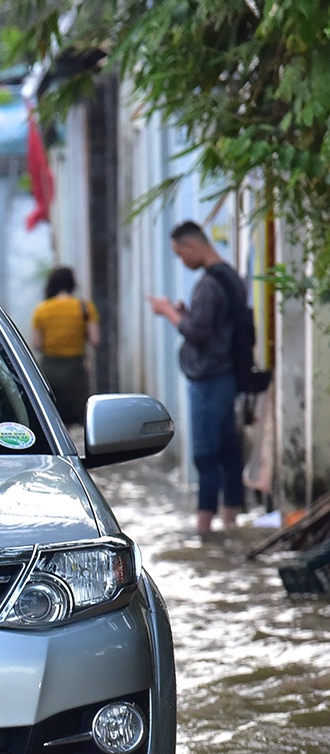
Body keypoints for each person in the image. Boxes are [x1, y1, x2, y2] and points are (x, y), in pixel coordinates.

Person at [148, 221, 245, 533]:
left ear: (191, 246)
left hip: (209, 378)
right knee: (229, 449)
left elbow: (198, 332)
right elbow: (217, 326)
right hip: (227, 374)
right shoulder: (231, 277)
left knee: (205, 454)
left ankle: (204, 527)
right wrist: (186, 312)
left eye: (179, 254)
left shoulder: (208, 284)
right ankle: (231, 520)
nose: (181, 261)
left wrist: (168, 312)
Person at [30, 265, 98, 427]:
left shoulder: (42, 310)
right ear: (72, 285)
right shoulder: (84, 308)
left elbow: (37, 344)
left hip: (49, 369)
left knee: (55, 418)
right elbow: (95, 339)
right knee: (79, 420)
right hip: (75, 370)